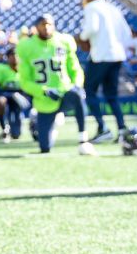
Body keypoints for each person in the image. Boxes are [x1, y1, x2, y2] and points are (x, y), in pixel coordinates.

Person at [16, 14, 87, 154]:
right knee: (45, 148)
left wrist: (77, 84)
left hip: (65, 91)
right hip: (45, 100)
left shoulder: (64, 41)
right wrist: (43, 91)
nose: (47, 27)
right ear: (36, 27)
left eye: (49, 24)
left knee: (77, 94)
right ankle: (49, 123)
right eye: (43, 24)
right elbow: (24, 81)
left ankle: (83, 140)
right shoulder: (26, 46)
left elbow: (75, 69)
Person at [78, 0, 133, 144]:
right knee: (112, 95)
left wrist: (82, 36)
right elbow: (127, 34)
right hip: (117, 55)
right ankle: (122, 129)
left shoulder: (91, 8)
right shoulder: (113, 8)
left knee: (90, 91)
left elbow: (90, 29)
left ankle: (103, 128)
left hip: (100, 56)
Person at [0, 48, 28, 141]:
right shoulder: (1, 68)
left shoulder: (25, 68)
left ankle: (32, 126)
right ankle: (4, 128)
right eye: (12, 55)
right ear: (7, 58)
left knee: (16, 135)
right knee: (0, 101)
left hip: (21, 97)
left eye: (17, 55)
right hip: (6, 95)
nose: (15, 58)